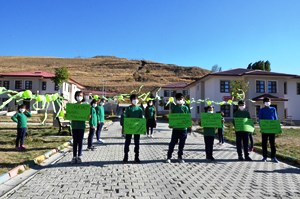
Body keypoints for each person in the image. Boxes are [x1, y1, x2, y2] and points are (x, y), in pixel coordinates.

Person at [166, 93, 190, 163]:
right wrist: (170, 124)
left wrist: (189, 125)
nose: (179, 100)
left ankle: (180, 157)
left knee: (181, 144)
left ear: (183, 99)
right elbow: (172, 117)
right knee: (172, 143)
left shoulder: (185, 108)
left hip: (183, 130)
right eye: (178, 99)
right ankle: (168, 157)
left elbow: (188, 117)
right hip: (176, 129)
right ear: (176, 100)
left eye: (181, 99)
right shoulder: (174, 107)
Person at [123, 94, 144, 163]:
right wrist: (124, 128)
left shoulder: (140, 109)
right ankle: (126, 156)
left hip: (137, 129)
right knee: (127, 142)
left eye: (136, 99)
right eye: (134, 99)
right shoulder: (128, 109)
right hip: (129, 128)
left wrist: (143, 121)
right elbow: (126, 119)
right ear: (131, 100)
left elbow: (141, 120)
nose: (135, 100)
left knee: (137, 143)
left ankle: (136, 157)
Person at [258, 97, 279, 163]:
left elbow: (275, 118)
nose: (267, 102)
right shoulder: (261, 110)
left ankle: (273, 157)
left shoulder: (273, 109)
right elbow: (260, 119)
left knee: (272, 143)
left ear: (270, 102)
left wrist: (277, 126)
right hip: (265, 129)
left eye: (268, 101)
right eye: (266, 101)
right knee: (264, 143)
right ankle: (265, 157)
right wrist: (261, 126)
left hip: (272, 129)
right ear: (264, 103)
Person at [69, 91, 86, 164]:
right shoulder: (73, 106)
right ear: (75, 96)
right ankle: (74, 156)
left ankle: (79, 156)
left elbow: (87, 116)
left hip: (81, 126)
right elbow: (69, 115)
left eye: (81, 95)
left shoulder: (85, 107)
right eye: (78, 95)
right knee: (75, 142)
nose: (79, 97)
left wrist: (88, 116)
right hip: (74, 126)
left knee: (80, 141)